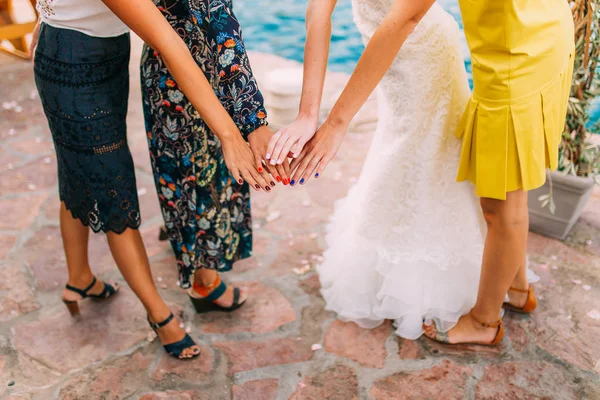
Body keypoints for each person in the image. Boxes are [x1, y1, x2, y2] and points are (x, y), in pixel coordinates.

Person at [270, 0, 559, 344]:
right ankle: (509, 280)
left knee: (432, 153)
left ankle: (467, 277)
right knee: (400, 146)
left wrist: (337, 122)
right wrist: (307, 113)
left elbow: (407, 14)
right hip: (385, 54)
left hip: (421, 47)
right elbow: (318, 13)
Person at [140, 0, 290, 312]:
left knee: (183, 169)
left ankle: (182, 234)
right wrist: (253, 121)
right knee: (200, 173)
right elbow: (220, 22)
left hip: (172, 65)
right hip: (191, 68)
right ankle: (204, 281)